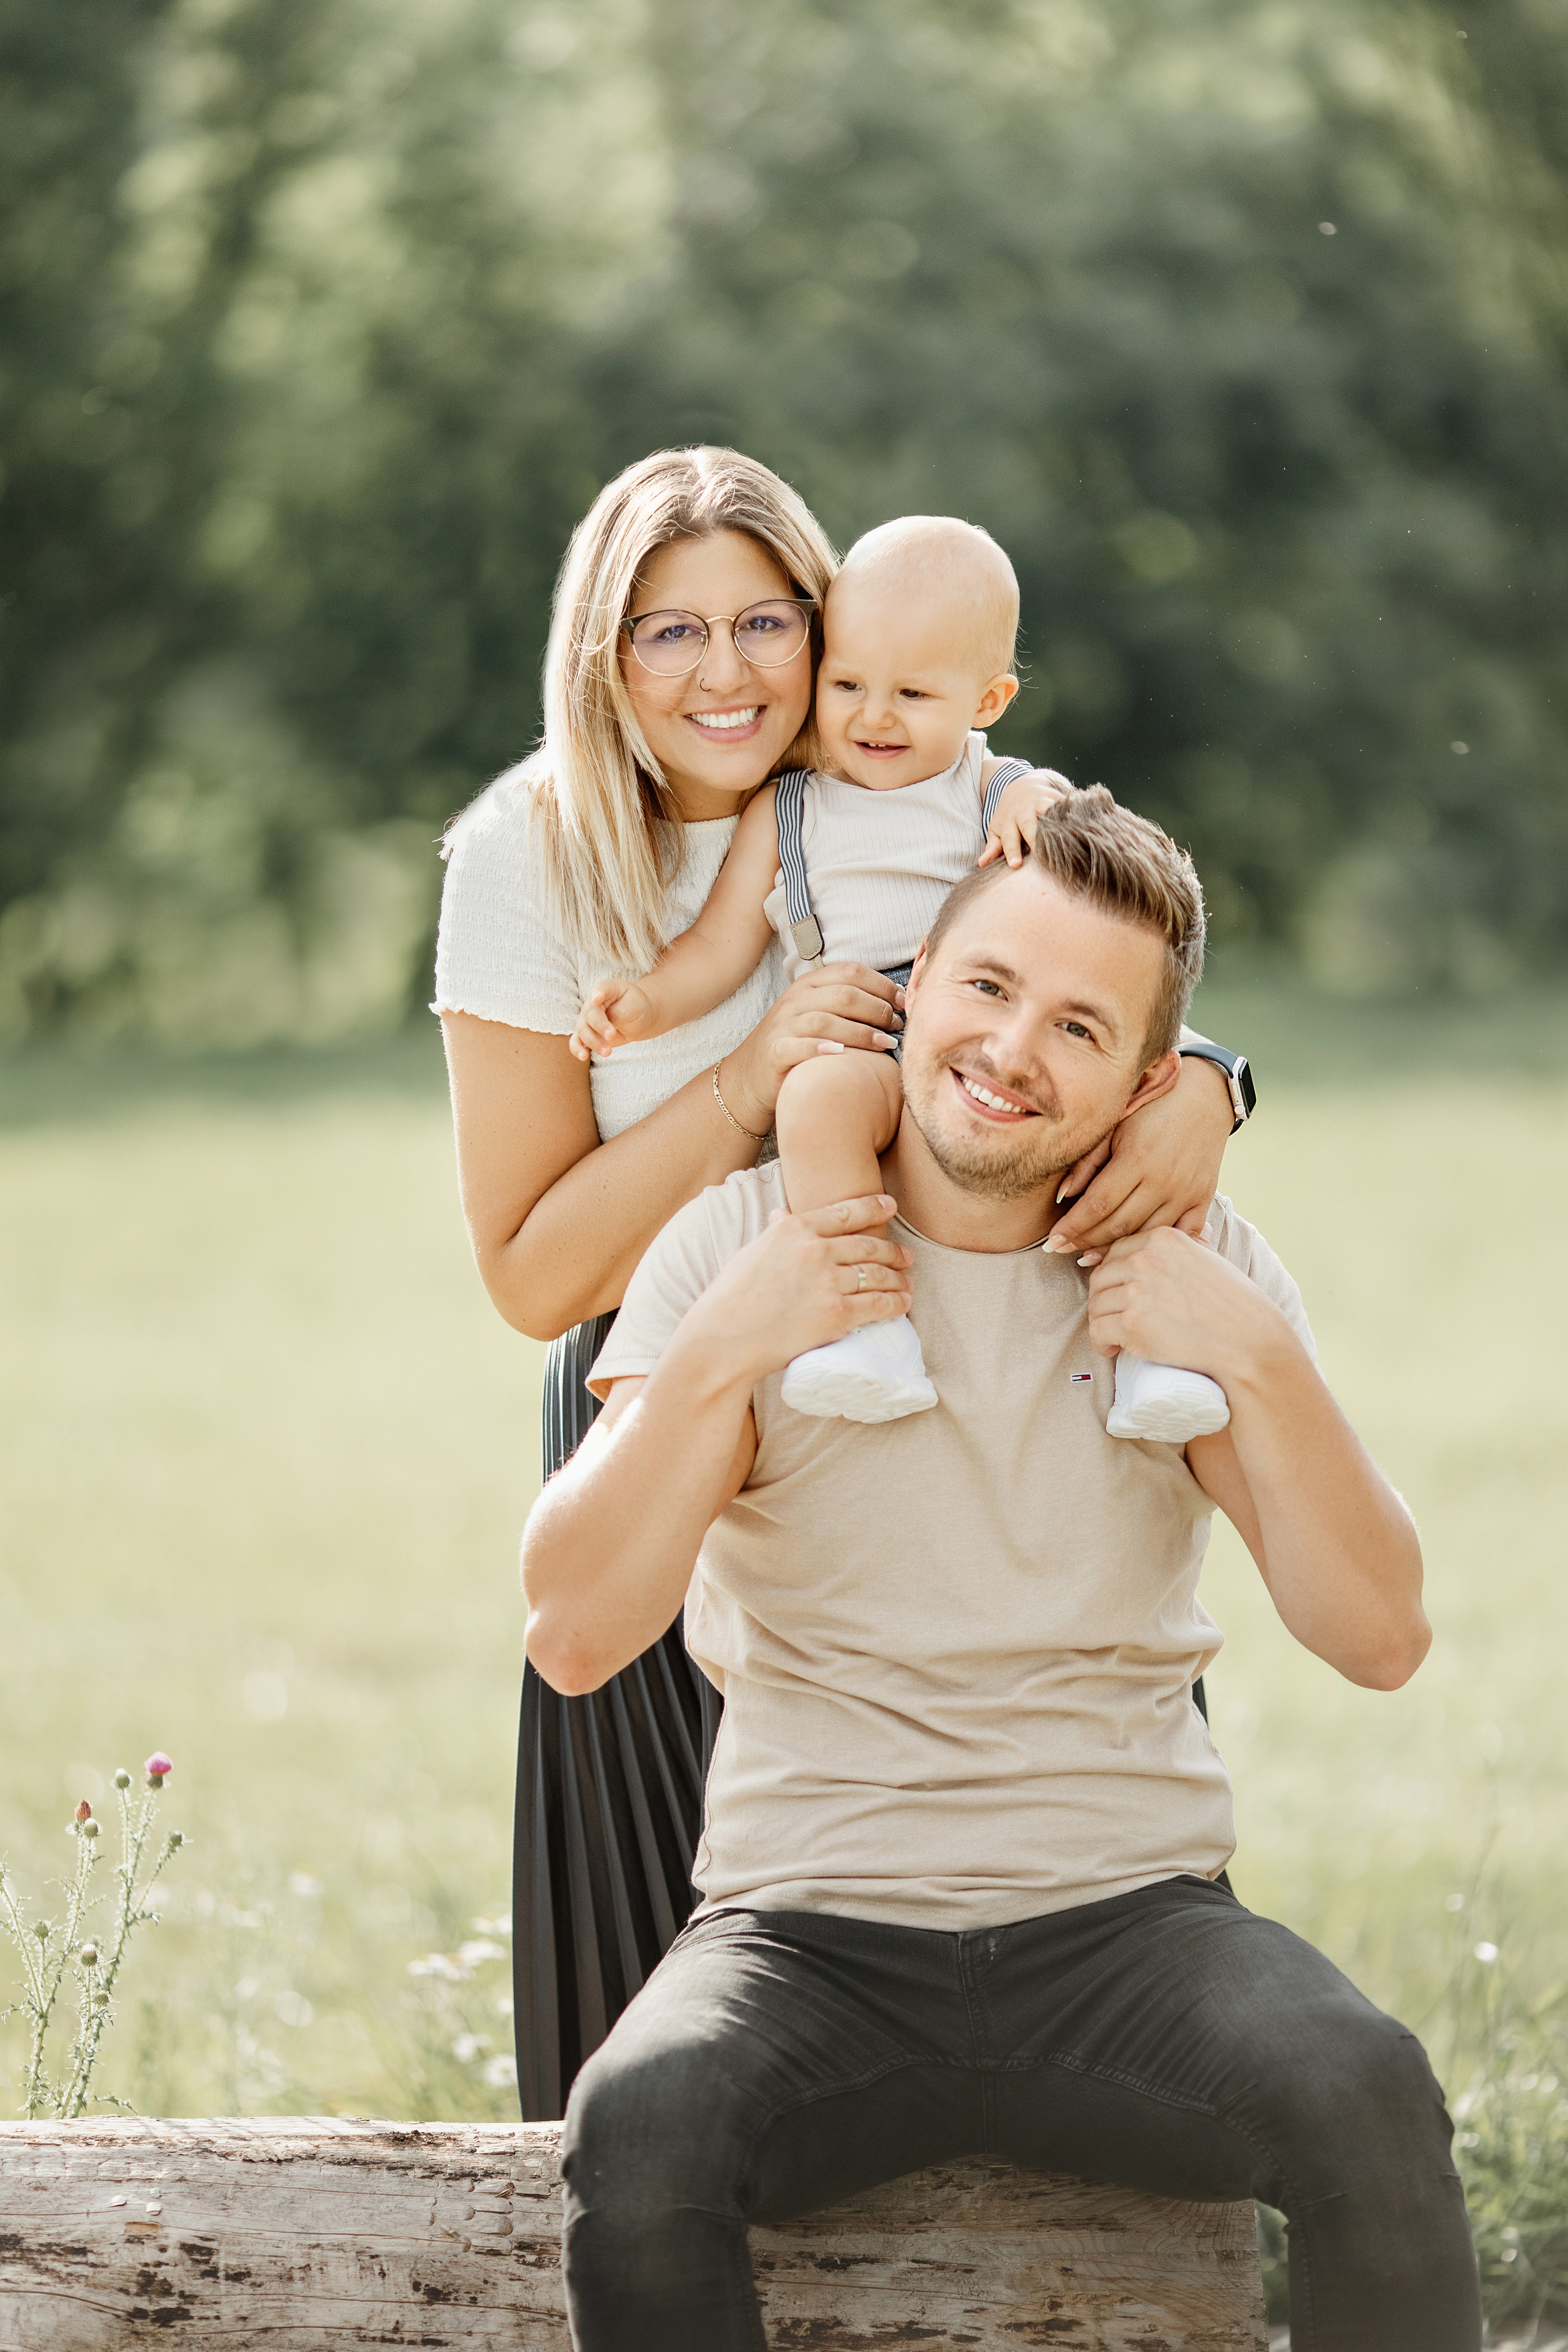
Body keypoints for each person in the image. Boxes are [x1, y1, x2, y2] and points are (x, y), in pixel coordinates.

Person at [521, 786, 1480, 2352]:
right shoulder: (738, 1245)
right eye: (984, 988)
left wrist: (1253, 1354)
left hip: (1126, 1929)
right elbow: (572, 1629)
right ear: (915, 992)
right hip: (806, 1929)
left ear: (1148, 1083)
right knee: (640, 2129)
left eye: (1077, 1028)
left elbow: (1377, 1634)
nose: (1010, 1049)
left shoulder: (1196, 1269)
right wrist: (724, 1353)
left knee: (1365, 2094)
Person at [434, 444, 1252, 2120]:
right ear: (602, 651)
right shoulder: (530, 858)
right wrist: (745, 1091)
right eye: (668, 631)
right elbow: (533, 1274)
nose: (725, 673)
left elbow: (1107, 990)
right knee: (675, 1967)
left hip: (972, 1380)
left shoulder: (954, 783)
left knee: (1063, 1901)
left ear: (838, 629)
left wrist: (1216, 1078)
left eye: (766, 622)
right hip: (673, 1390)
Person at [571, 512, 1229, 1439]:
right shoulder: (792, 810)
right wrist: (643, 1004)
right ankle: (867, 1323)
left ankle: (1163, 1354)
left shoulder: (999, 791)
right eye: (847, 684)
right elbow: (722, 947)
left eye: (913, 694)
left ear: (987, 701)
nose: (873, 717)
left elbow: (1093, 943)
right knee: (817, 1101)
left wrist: (1044, 804)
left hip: (993, 1028)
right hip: (873, 1029)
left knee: (1118, 1152)